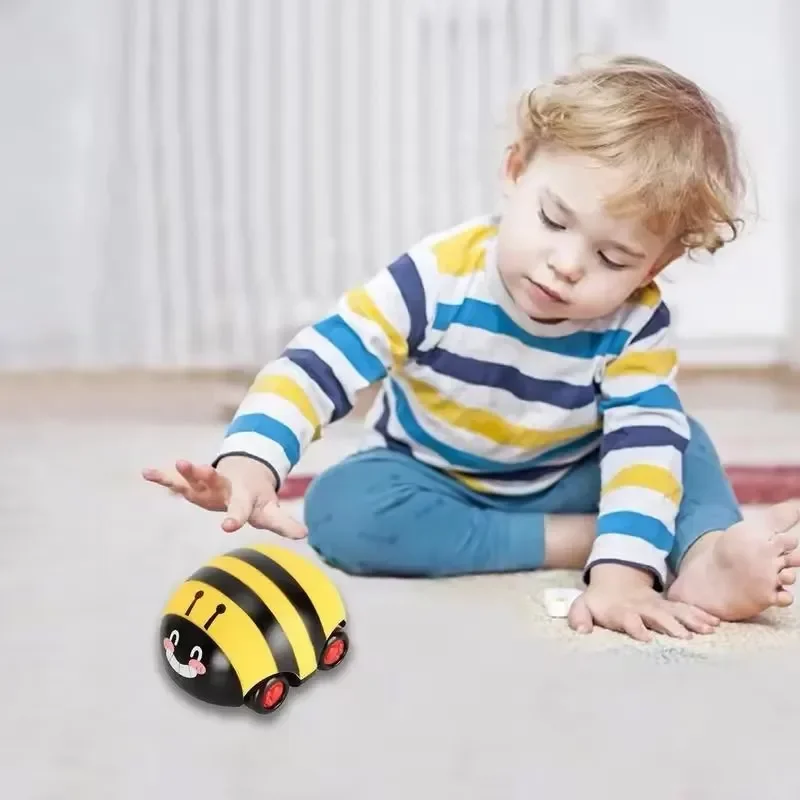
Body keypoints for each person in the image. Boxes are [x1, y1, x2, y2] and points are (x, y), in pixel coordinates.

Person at [143, 54, 800, 643]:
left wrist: (623, 580)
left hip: (572, 475)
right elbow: (319, 364)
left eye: (611, 256)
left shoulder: (635, 322)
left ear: (655, 265)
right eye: (552, 220)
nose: (566, 264)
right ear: (515, 172)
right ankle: (599, 539)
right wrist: (253, 461)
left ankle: (707, 555)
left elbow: (640, 445)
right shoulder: (436, 275)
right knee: (341, 510)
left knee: (678, 440)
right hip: (433, 478)